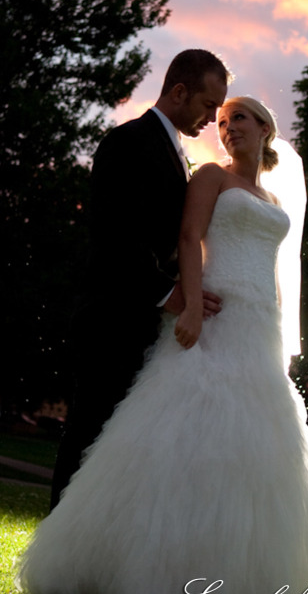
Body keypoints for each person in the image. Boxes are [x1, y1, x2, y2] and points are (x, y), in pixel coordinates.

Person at [18, 96, 308, 594]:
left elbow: (280, 270)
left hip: (258, 327)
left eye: (239, 118)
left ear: (264, 127)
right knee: (183, 433)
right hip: (211, 315)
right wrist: (189, 304)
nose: (227, 127)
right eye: (220, 121)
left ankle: (233, 592)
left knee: (253, 454)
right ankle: (145, 578)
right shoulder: (210, 176)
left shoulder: (275, 195)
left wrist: (279, 331)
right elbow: (190, 238)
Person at [49, 49, 230, 509]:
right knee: (88, 437)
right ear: (179, 91)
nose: (213, 117)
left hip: (143, 326)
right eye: (208, 105)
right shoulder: (127, 142)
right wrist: (172, 294)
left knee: (119, 450)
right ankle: (58, 560)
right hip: (111, 318)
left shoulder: (175, 151)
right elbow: (115, 239)